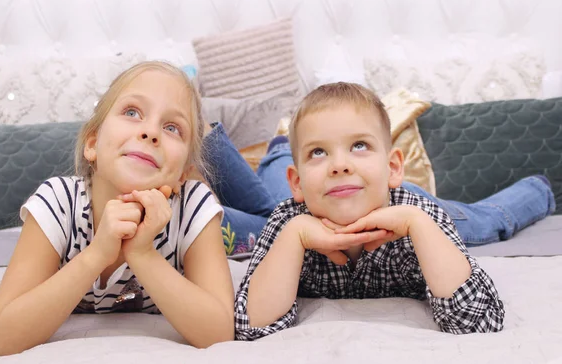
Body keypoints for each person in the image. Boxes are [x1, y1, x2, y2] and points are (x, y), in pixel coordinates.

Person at [229, 82, 553, 340]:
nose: (339, 165)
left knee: (487, 221)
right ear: (297, 183)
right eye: (318, 151)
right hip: (332, 196)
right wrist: (293, 237)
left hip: (396, 202)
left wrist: (419, 224)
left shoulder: (419, 215)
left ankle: (538, 187)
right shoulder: (288, 221)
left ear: (394, 166)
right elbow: (251, 326)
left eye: (359, 145)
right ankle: (280, 151)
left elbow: (480, 320)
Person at [0, 61, 235, 355]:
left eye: (172, 128)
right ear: (92, 143)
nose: (150, 132)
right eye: (132, 112)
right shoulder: (58, 201)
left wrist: (142, 254)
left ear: (182, 174)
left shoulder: (194, 207)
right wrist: (97, 253)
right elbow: (4, 338)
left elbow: (219, 332)